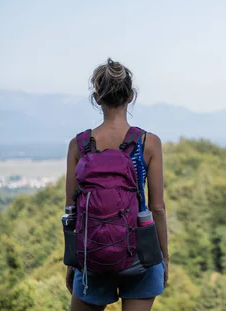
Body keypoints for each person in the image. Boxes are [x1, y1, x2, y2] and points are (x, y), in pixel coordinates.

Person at [64, 58, 169, 311]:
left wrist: (72, 262)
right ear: (131, 96)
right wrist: (163, 257)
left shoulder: (79, 145)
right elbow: (158, 208)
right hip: (142, 256)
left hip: (92, 255)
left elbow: (71, 210)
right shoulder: (148, 143)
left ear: (97, 97)